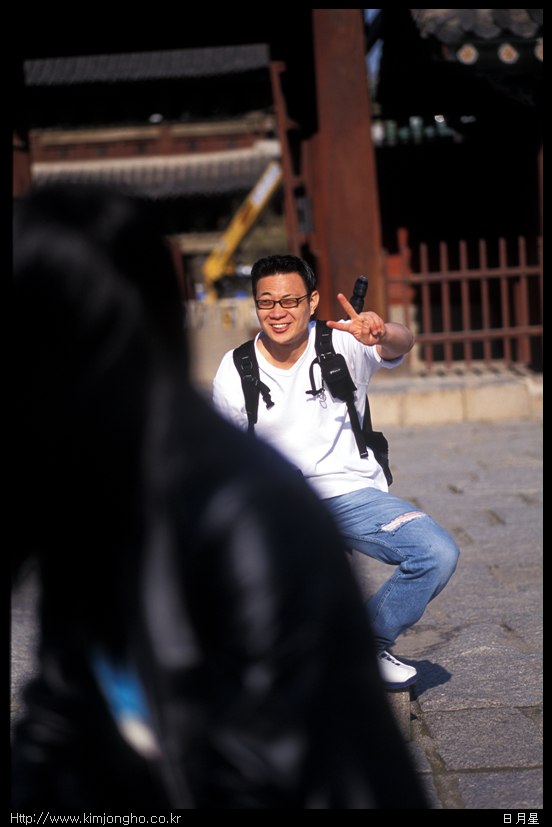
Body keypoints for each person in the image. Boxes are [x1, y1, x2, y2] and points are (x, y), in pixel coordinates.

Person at [12, 185, 429, 809]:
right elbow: (64, 702)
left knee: (433, 552)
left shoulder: (244, 514)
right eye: (267, 301)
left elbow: (279, 760)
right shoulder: (92, 480)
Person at [212, 254, 460, 689]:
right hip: (280, 503)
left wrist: (382, 331)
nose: (277, 312)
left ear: (312, 301)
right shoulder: (235, 369)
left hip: (353, 495)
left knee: (436, 552)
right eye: (266, 302)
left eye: (289, 301)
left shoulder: (342, 341)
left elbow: (402, 343)